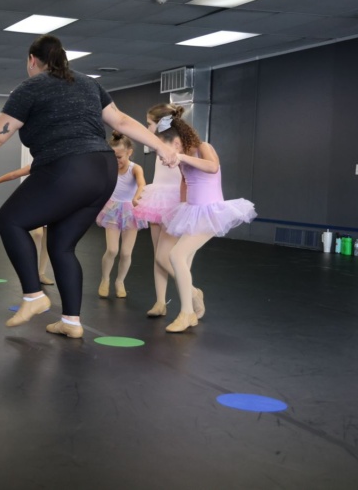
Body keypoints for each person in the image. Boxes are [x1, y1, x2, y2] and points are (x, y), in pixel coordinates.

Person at [0, 34, 178, 338]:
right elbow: (121, 121)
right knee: (61, 245)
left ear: (32, 60)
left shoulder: (31, 86)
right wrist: (161, 146)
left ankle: (33, 296)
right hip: (104, 170)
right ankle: (71, 321)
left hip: (69, 167)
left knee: (10, 220)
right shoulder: (88, 83)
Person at [151, 104, 256, 332]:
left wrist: (180, 156)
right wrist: (181, 207)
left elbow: (212, 167)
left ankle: (187, 314)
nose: (168, 153)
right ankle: (191, 303)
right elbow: (185, 182)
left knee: (176, 255)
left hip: (211, 212)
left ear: (178, 141)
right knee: (183, 262)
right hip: (191, 211)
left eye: (169, 146)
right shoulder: (182, 159)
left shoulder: (203, 147)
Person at [134, 109, 184, 318]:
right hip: (156, 198)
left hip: (174, 200)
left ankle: (192, 292)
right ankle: (160, 302)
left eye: (149, 123)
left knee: (166, 257)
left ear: (161, 123)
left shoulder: (178, 143)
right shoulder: (156, 143)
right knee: (158, 255)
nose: (147, 128)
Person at [96, 131, 147, 299]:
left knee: (126, 253)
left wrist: (137, 197)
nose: (116, 160)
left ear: (129, 152)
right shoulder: (109, 167)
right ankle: (105, 279)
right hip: (112, 209)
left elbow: (142, 184)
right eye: (113, 157)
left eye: (119, 157)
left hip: (130, 210)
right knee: (112, 249)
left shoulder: (135, 168)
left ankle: (120, 281)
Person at [0, 164, 54, 286]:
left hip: (53, 203)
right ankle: (32, 271)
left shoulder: (61, 164)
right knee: (38, 234)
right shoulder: (40, 163)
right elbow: (14, 174)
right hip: (37, 202)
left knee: (48, 239)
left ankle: (41, 273)